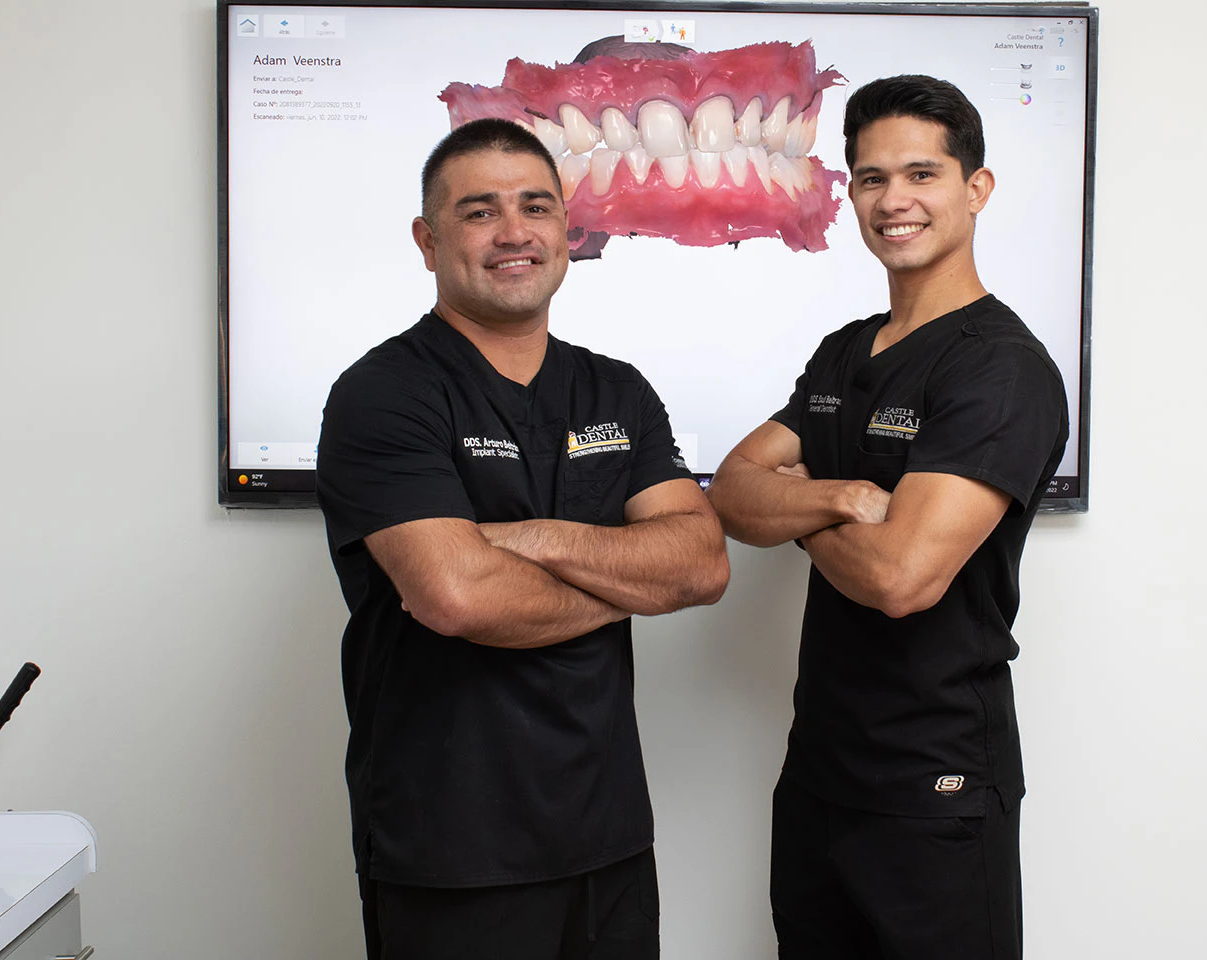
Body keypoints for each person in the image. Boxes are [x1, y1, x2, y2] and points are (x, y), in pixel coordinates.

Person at [316, 118, 729, 960]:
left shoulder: (617, 390)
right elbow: (457, 595)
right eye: (478, 212)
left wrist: (526, 539)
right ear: (427, 242)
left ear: (566, 232)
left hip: (607, 839)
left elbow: (702, 563)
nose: (514, 232)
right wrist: (630, 580)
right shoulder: (384, 394)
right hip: (453, 851)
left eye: (535, 206)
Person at [707, 75, 1069, 960]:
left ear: (975, 190)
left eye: (921, 174)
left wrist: (789, 503)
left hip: (936, 784)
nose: (893, 200)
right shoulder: (845, 350)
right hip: (822, 774)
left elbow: (901, 578)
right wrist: (833, 496)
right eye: (871, 179)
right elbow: (730, 488)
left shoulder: (1002, 370)